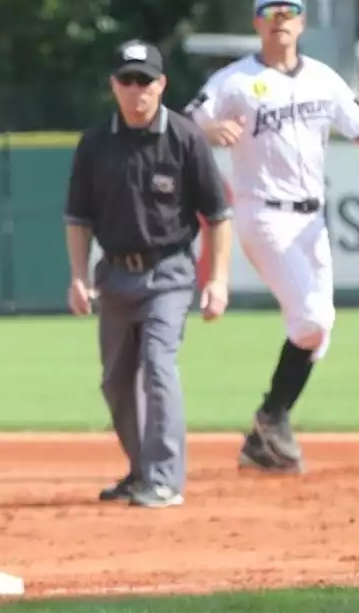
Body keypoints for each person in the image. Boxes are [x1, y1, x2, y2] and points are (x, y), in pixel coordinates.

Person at [184, 0, 359, 474]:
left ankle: (264, 441)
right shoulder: (233, 81)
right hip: (263, 213)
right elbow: (182, 124)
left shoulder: (324, 79)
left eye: (289, 11)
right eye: (270, 11)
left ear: (302, 22)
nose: (280, 18)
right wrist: (207, 129)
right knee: (311, 321)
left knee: (317, 334)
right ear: (257, 22)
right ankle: (271, 417)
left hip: (311, 220)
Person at [64, 40, 233, 508]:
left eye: (145, 80)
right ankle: (140, 471)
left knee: (159, 366)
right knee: (116, 382)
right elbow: (78, 219)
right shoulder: (95, 143)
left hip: (169, 273)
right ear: (113, 85)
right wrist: (78, 277)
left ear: (161, 84)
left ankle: (164, 479)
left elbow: (219, 215)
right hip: (114, 276)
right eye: (127, 80)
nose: (136, 89)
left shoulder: (184, 138)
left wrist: (217, 280)